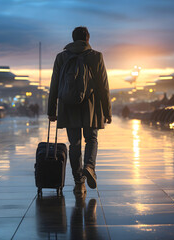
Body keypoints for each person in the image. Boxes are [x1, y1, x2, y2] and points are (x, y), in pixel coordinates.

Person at [48, 26, 112, 195]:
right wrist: (107, 111)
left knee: (74, 144)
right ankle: (89, 166)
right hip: (91, 106)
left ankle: (79, 183)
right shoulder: (96, 56)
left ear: (73, 38)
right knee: (91, 138)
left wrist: (51, 110)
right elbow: (103, 86)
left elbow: (54, 84)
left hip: (68, 106)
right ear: (87, 39)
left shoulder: (61, 57)